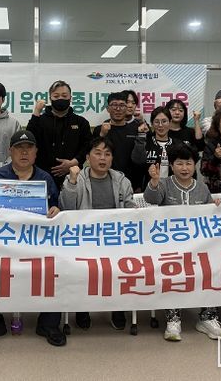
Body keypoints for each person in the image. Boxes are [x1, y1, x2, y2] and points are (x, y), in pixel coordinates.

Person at [0, 130, 64, 347]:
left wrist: (56, 210)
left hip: (37, 244)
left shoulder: (45, 178)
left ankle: (49, 324)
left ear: (36, 152)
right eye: (19, 148)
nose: (24, 153)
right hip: (0, 245)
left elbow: (57, 207)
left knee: (56, 268)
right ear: (10, 151)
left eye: (29, 148)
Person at [143, 142, 221, 341]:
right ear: (172, 166)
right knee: (171, 271)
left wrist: (215, 205)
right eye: (179, 163)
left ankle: (207, 317)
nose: (185, 168)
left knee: (211, 268)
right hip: (169, 247)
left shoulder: (202, 187)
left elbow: (209, 215)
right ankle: (173, 318)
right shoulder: (165, 184)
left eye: (188, 163)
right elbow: (152, 199)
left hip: (199, 246)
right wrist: (154, 181)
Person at [59, 136, 135, 331]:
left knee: (120, 269)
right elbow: (66, 208)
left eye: (107, 154)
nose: (103, 158)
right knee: (83, 271)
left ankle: (117, 308)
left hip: (115, 240)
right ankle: (82, 309)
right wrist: (72, 182)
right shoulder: (76, 178)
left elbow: (131, 209)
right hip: (84, 240)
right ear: (87, 157)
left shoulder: (121, 180)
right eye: (98, 153)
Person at [27, 80, 92, 189]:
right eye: (56, 96)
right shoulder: (40, 120)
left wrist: (74, 162)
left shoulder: (81, 122)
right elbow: (29, 139)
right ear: (50, 98)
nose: (60, 99)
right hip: (42, 177)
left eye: (64, 96)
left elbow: (88, 145)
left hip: (73, 176)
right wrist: (36, 112)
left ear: (70, 98)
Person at [92, 92, 143, 191]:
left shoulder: (136, 129)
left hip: (131, 183)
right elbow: (93, 155)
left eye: (122, 105)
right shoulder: (100, 129)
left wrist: (138, 185)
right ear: (108, 108)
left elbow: (140, 158)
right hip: (105, 182)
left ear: (126, 108)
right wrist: (102, 135)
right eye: (114, 105)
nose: (118, 109)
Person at [131, 106, 174, 188]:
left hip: (171, 191)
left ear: (170, 122)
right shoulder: (145, 143)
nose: (160, 125)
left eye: (164, 121)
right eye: (157, 122)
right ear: (152, 124)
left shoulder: (178, 145)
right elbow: (137, 161)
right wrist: (140, 137)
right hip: (148, 189)